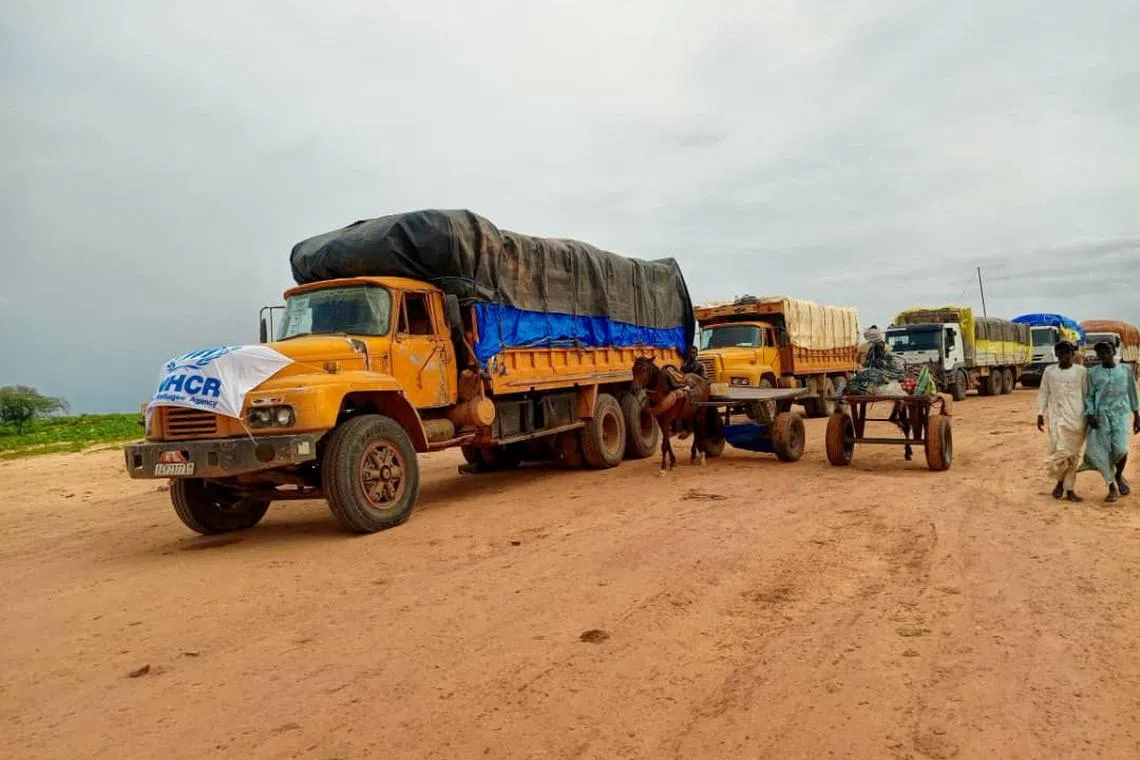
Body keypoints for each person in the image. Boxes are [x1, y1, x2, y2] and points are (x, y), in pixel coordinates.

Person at [1080, 341, 1140, 503]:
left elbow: (1132, 393)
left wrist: (1137, 415)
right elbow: (1090, 396)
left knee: (1122, 449)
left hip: (1121, 415)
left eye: (1107, 350)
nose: (1104, 354)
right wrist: (1091, 414)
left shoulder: (1126, 370)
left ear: (1113, 351)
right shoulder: (1092, 373)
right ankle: (1111, 487)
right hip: (1101, 418)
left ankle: (1118, 475)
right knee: (1103, 452)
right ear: (1097, 355)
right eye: (1100, 352)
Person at [1036, 341, 1087, 502]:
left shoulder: (1082, 372)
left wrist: (1091, 414)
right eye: (1061, 353)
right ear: (1056, 355)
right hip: (1056, 419)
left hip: (1077, 419)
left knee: (1073, 455)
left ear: (1073, 354)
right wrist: (1040, 413)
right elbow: (1044, 392)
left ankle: (1069, 488)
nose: (1065, 357)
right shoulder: (1049, 371)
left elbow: (1088, 395)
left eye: (1068, 353)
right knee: (1058, 450)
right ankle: (1059, 483)